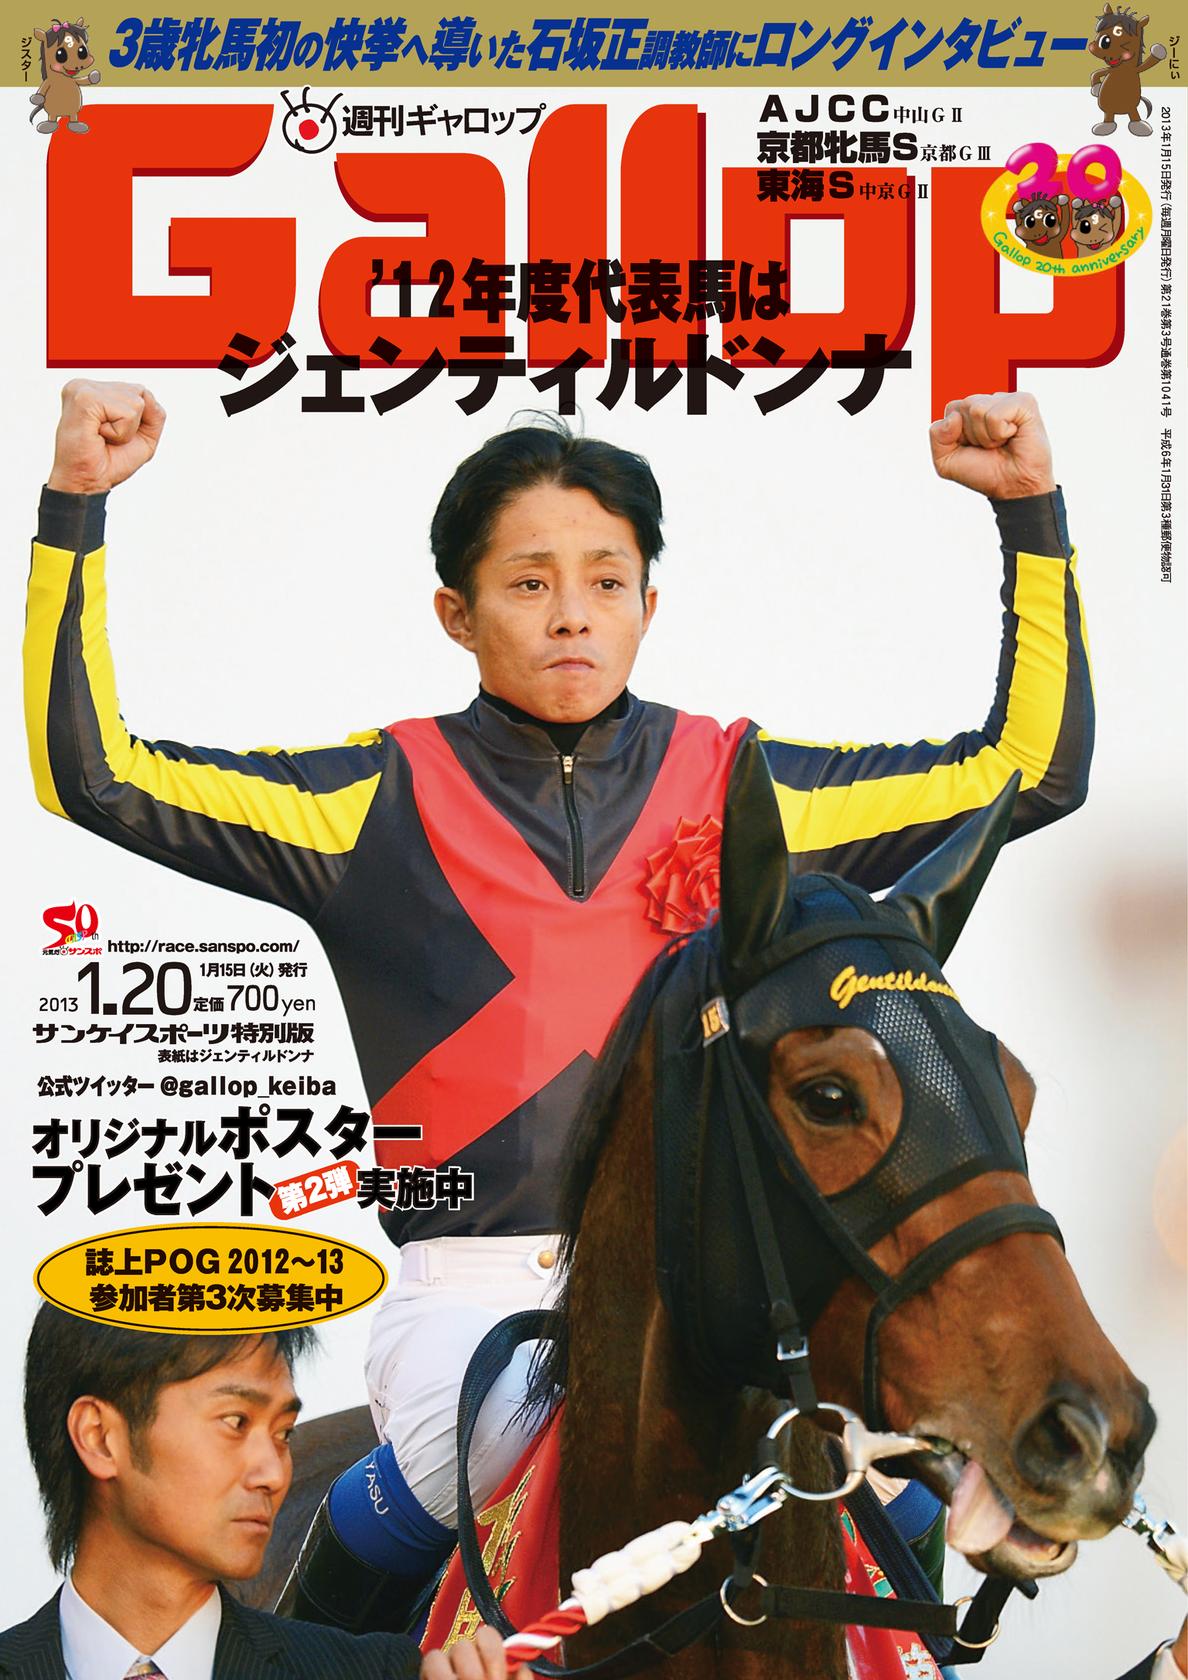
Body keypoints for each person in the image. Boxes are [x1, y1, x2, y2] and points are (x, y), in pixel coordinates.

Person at [26, 379, 1092, 1630]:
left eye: (606, 580)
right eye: (528, 583)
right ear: (457, 613)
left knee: (901, 1495)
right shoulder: (373, 799)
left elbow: (1030, 774)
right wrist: (75, 510)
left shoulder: (743, 784)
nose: (572, 614)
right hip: (475, 1296)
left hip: (711, 1285)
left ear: (649, 604)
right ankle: (307, 1653)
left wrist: (1031, 515)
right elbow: (95, 774)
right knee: (488, 1450)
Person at [0, 1305, 524, 1680]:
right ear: (100, 1437)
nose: (274, 1473)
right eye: (235, 1422)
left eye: (283, 1433)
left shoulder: (383, 1672)